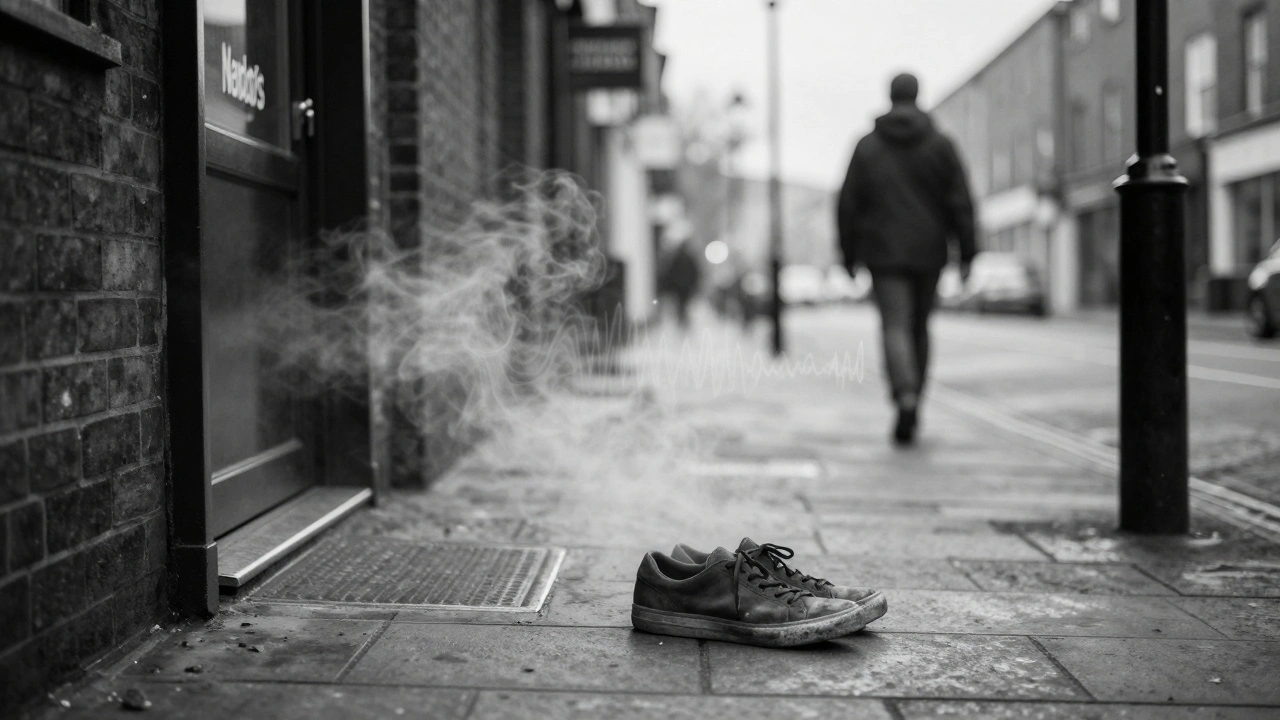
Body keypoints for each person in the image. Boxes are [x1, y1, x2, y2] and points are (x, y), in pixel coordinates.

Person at [837, 73, 976, 445]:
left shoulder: (867, 146)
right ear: (917, 95)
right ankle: (916, 397)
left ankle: (905, 394)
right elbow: (961, 201)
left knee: (894, 325)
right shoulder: (941, 145)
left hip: (883, 253)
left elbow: (848, 203)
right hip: (929, 251)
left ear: (890, 96)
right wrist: (967, 252)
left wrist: (848, 254)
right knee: (919, 326)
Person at [658, 233, 701, 329]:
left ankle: (682, 320)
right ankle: (683, 320)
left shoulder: (677, 258)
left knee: (681, 304)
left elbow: (670, 272)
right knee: (683, 304)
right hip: (685, 287)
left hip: (680, 287)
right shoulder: (689, 258)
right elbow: (695, 272)